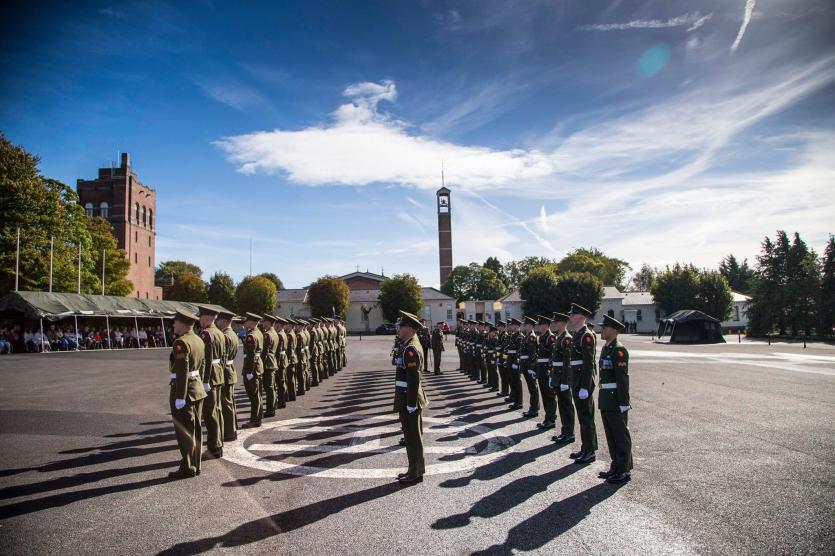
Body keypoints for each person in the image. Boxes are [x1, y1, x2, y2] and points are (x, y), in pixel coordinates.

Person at [168, 309, 207, 479]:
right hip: (197, 389)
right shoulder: (198, 340)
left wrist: (179, 396)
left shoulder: (182, 342)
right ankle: (195, 464)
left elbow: (183, 371)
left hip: (185, 391)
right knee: (195, 429)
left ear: (183, 324)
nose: (173, 324)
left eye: (175, 322)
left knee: (184, 431)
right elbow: (203, 365)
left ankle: (188, 467)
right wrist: (203, 384)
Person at [393, 310, 429, 485]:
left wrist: (411, 403)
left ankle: (415, 472)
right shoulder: (408, 344)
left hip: (409, 398)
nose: (399, 328)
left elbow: (413, 378)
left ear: (411, 329)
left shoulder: (410, 348)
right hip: (407, 397)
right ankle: (412, 469)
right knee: (410, 436)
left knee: (413, 437)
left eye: (403, 326)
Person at [597, 315, 633, 483]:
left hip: (615, 399)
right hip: (606, 398)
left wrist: (624, 402)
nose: (601, 330)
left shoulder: (619, 350)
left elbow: (622, 379)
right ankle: (616, 466)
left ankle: (623, 469)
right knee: (611, 435)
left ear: (613, 330)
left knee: (620, 435)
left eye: (604, 328)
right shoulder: (606, 348)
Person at [568, 303, 598, 464]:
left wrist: (586, 386)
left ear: (580, 316)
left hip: (583, 380)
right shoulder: (577, 334)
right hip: (577, 379)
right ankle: (585, 447)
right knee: (582, 416)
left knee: (586, 417)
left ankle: (590, 450)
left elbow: (588, 363)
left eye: (573, 314)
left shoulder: (586, 335)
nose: (570, 317)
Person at [198, 306, 226, 459]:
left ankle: (214, 447)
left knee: (210, 414)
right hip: (218, 375)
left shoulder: (207, 334)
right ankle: (218, 443)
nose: (199, 320)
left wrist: (205, 380)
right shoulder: (219, 333)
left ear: (208, 319)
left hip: (210, 377)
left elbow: (207, 360)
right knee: (216, 411)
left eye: (201, 318)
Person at [550, 312, 576, 445]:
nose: (554, 324)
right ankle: (565, 431)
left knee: (567, 405)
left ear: (562, 323)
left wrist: (566, 381)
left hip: (563, 377)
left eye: (556, 322)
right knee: (561, 405)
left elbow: (567, 362)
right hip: (557, 376)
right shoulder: (558, 337)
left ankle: (569, 433)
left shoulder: (566, 338)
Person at [216, 310, 239, 442]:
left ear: (224, 321)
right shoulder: (232, 334)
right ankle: (232, 428)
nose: (217, 322)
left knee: (226, 403)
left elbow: (223, 358)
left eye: (219, 320)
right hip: (230, 370)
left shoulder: (225, 336)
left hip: (225, 372)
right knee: (230, 402)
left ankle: (229, 431)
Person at [241, 313, 265, 428]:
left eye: (247, 321)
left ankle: (255, 419)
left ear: (252, 322)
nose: (245, 323)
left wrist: (249, 371)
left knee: (254, 395)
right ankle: (258, 417)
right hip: (258, 367)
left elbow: (251, 355)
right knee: (257, 394)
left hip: (253, 368)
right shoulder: (258, 333)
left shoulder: (252, 336)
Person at [534, 315, 557, 430]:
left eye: (543, 325)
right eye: (540, 325)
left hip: (546, 370)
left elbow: (552, 356)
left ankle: (551, 419)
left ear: (548, 326)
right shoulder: (541, 337)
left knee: (549, 396)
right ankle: (547, 418)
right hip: (541, 370)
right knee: (544, 395)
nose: (541, 327)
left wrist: (550, 371)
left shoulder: (550, 337)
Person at [260, 314, 279, 418]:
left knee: (269, 387)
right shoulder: (274, 333)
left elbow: (264, 352)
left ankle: (270, 410)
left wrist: (260, 364)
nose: (263, 323)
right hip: (272, 361)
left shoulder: (267, 334)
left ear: (268, 322)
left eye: (264, 321)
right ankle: (273, 406)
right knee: (272, 387)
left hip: (268, 363)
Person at [520, 316, 540, 418]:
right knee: (531, 388)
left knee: (533, 388)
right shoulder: (526, 336)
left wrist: (531, 367)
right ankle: (533, 408)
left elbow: (532, 354)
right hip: (525, 365)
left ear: (530, 326)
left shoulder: (531, 336)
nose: (524, 325)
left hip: (529, 365)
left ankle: (534, 409)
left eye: (526, 324)